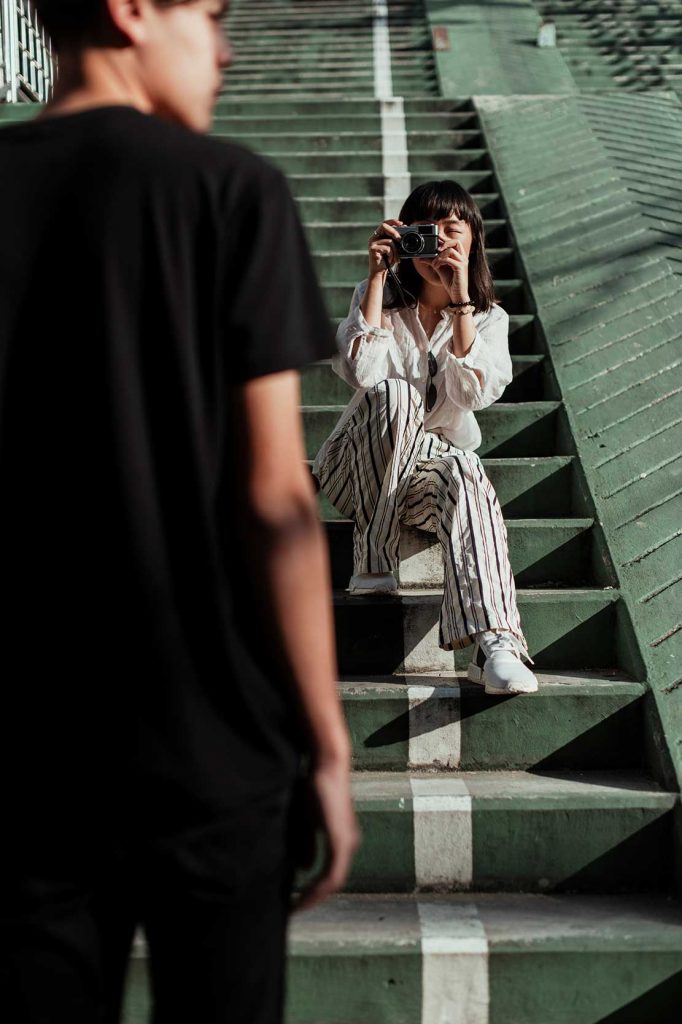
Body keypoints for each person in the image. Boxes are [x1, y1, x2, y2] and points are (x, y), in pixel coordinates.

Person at [0, 1, 360, 1022]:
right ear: (130, 10)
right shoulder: (232, 192)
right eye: (207, 14)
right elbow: (278, 501)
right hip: (215, 751)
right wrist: (327, 747)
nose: (227, 46)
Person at [312, 179, 539, 696]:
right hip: (359, 467)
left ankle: (497, 643)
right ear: (402, 237)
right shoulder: (380, 303)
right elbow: (361, 373)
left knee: (466, 467)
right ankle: (374, 555)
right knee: (396, 395)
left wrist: (460, 301)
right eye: (424, 231)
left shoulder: (488, 318)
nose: (436, 243)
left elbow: (473, 395)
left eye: (450, 231)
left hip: (422, 477)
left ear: (473, 240)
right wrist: (374, 277)